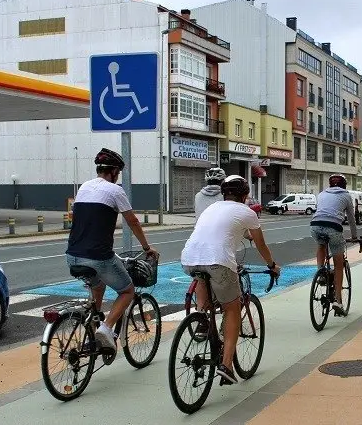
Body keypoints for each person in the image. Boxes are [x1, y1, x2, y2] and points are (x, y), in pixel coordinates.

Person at [181, 175, 280, 385]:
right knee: (232, 308)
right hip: (219, 261)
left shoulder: (212, 208)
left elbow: (220, 228)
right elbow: (261, 244)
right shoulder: (247, 212)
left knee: (203, 283)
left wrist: (244, 235)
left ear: (224, 194)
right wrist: (272, 265)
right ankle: (226, 365)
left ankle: (202, 319)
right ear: (244, 196)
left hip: (189, 258)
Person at [65, 148, 159, 355]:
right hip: (98, 256)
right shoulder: (115, 191)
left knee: (97, 287)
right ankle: (106, 329)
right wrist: (146, 247)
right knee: (127, 290)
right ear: (114, 171)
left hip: (72, 255)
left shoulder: (84, 187)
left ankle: (92, 329)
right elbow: (132, 221)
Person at [310, 174, 358, 316]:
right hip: (334, 227)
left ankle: (321, 273)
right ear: (344, 185)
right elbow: (351, 218)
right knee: (338, 264)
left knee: (321, 245)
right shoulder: (346, 195)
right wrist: (354, 236)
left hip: (315, 225)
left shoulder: (322, 193)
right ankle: (338, 301)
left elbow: (321, 210)